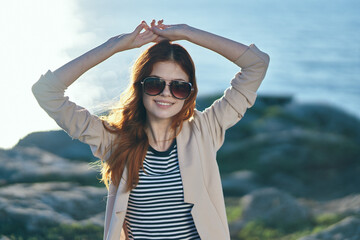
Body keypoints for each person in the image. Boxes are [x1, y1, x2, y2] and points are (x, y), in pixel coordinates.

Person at [32, 19, 269, 240]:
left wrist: (187, 33)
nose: (166, 93)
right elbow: (46, 92)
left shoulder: (205, 129)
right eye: (155, 84)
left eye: (178, 87)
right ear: (140, 86)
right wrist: (113, 46)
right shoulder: (113, 139)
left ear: (189, 93)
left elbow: (257, 63)